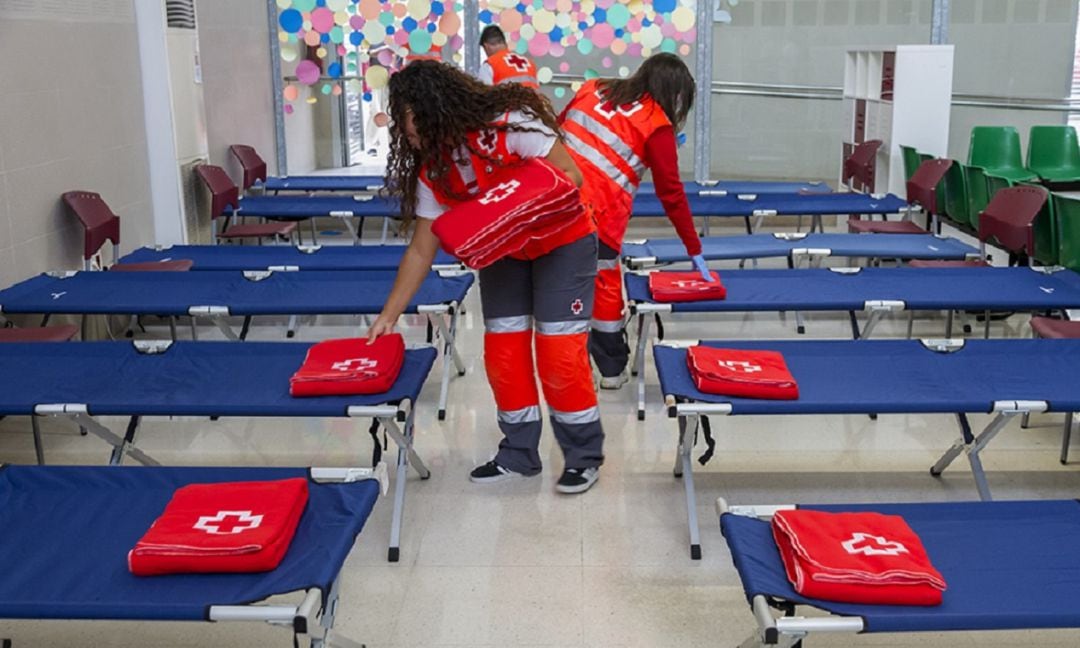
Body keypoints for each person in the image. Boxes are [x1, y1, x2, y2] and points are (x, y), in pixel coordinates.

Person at [366, 61, 604, 494]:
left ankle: (583, 456)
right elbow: (423, 247)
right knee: (504, 354)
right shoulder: (433, 171)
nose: (408, 134)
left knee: (559, 354)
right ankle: (519, 454)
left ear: (437, 110)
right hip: (504, 252)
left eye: (411, 120)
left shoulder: (512, 124)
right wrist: (389, 314)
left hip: (562, 243)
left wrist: (516, 208)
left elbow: (572, 175)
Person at [558, 53, 711, 389]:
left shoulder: (592, 88)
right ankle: (611, 370)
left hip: (549, 205)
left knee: (555, 286)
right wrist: (693, 247)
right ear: (675, 94)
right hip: (595, 220)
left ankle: (563, 366)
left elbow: (556, 132)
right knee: (604, 288)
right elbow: (671, 193)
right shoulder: (657, 124)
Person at [478, 25, 539, 89]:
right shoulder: (529, 63)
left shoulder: (490, 65)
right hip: (530, 99)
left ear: (486, 46)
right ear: (505, 43)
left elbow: (484, 96)